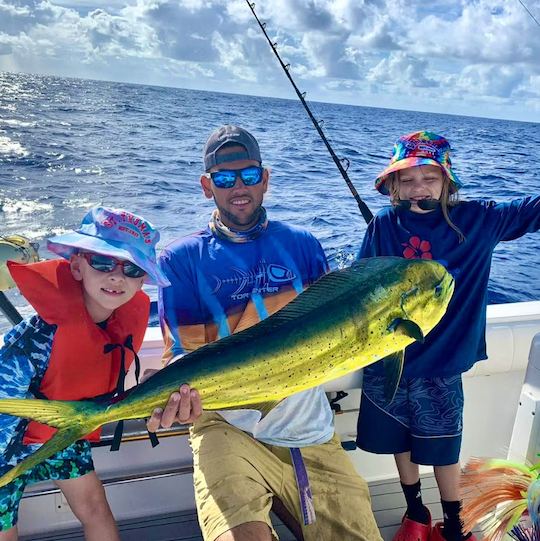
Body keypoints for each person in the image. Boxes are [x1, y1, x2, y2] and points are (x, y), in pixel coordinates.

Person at [153, 125, 382, 541]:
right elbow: (184, 355)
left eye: (248, 175)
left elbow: (333, 332)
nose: (237, 187)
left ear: (265, 178)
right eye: (223, 178)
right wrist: (171, 400)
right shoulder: (180, 259)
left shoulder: (303, 245)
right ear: (207, 186)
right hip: (224, 424)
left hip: (308, 426)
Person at [355, 130, 540, 541]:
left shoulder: (478, 220)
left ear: (447, 180)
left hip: (442, 364)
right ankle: (415, 513)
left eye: (429, 177)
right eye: (408, 178)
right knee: (399, 443)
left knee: (442, 449)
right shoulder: (384, 224)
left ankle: (453, 523)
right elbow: (357, 287)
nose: (418, 187)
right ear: (394, 184)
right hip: (390, 359)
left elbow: (532, 209)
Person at [0, 206, 170, 541]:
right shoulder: (32, 342)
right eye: (103, 262)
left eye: (132, 268)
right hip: (7, 446)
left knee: (95, 507)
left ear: (144, 279)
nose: (116, 276)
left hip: (64, 433)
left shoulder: (117, 328)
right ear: (77, 266)